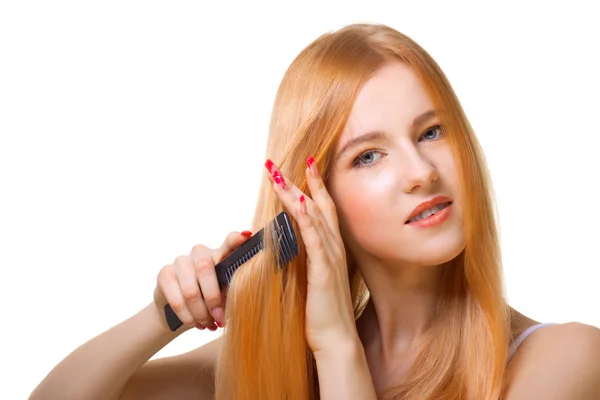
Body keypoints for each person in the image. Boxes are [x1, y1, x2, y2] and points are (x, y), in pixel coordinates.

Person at [29, 23, 600, 400]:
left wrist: (337, 346)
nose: (421, 171)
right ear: (309, 200)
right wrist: (167, 314)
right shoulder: (285, 358)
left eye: (431, 132)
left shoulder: (564, 360)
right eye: (369, 155)